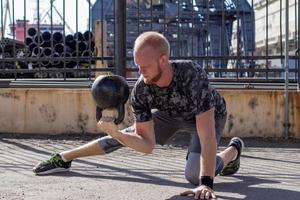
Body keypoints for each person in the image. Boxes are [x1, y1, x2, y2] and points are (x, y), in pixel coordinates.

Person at [33, 31, 244, 199]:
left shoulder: (191, 74)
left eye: (145, 67)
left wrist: (205, 184)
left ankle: (232, 151)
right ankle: (64, 158)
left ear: (163, 60)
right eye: (137, 65)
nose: (140, 73)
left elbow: (206, 134)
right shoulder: (142, 90)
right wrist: (117, 133)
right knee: (123, 136)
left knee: (193, 175)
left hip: (207, 116)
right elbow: (146, 144)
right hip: (169, 114)